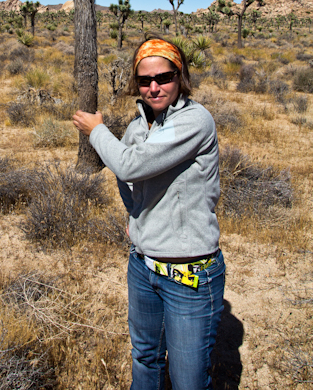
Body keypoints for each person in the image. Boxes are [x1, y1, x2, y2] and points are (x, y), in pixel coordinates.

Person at [73, 36, 225, 390]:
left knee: (188, 379)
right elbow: (125, 180)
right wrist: (135, 217)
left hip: (189, 273)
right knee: (145, 358)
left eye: (164, 77)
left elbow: (126, 165)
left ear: (180, 76)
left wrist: (96, 131)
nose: (154, 87)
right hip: (143, 265)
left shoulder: (195, 121)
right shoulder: (140, 124)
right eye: (145, 80)